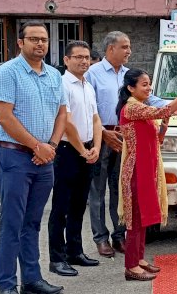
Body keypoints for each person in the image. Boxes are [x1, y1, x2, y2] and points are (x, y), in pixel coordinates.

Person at [0, 21, 67, 294]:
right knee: (12, 223)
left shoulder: (54, 76)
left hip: (45, 158)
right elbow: (4, 117)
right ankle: (7, 285)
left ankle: (32, 280)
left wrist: (51, 146)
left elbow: (62, 114)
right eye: (33, 39)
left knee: (32, 222)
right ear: (20, 43)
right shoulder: (7, 72)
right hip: (13, 157)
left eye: (44, 39)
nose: (40, 44)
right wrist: (37, 146)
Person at [85, 31, 168, 257]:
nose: (129, 51)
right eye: (125, 47)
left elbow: (152, 100)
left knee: (121, 189)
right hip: (102, 135)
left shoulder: (129, 76)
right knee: (98, 189)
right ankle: (100, 237)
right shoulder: (92, 73)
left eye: (129, 46)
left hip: (126, 139)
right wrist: (102, 132)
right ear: (110, 49)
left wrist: (174, 105)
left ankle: (119, 235)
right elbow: (87, 108)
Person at [116, 69, 177, 281]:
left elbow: (158, 138)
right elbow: (163, 110)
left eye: (149, 83)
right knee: (135, 218)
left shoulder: (142, 109)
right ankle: (131, 266)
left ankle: (139, 258)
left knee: (143, 217)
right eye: (144, 84)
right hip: (135, 171)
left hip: (146, 169)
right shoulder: (131, 108)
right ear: (130, 88)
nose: (149, 87)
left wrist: (168, 118)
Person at [47, 41, 103, 277]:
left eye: (87, 57)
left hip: (89, 150)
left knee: (79, 205)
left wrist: (97, 147)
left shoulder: (88, 86)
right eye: (78, 57)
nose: (83, 61)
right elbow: (67, 122)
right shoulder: (62, 85)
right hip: (68, 151)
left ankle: (75, 251)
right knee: (61, 207)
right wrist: (82, 150)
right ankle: (57, 259)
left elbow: (95, 119)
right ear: (66, 60)